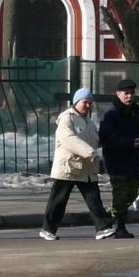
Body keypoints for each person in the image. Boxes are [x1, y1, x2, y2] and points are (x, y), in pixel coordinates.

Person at [40, 88, 117, 242]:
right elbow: (69, 139)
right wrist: (90, 153)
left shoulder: (88, 121)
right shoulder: (67, 118)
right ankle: (47, 229)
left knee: (93, 198)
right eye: (85, 102)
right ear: (76, 102)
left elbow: (94, 139)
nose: (88, 106)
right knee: (58, 200)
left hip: (86, 168)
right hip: (68, 168)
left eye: (90, 103)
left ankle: (103, 227)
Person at [98, 76, 139, 238]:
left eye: (132, 93)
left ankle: (112, 213)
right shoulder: (111, 113)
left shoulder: (136, 111)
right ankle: (119, 227)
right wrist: (128, 142)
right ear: (118, 94)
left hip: (132, 160)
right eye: (126, 93)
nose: (129, 96)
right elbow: (106, 138)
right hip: (116, 161)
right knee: (121, 194)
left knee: (133, 193)